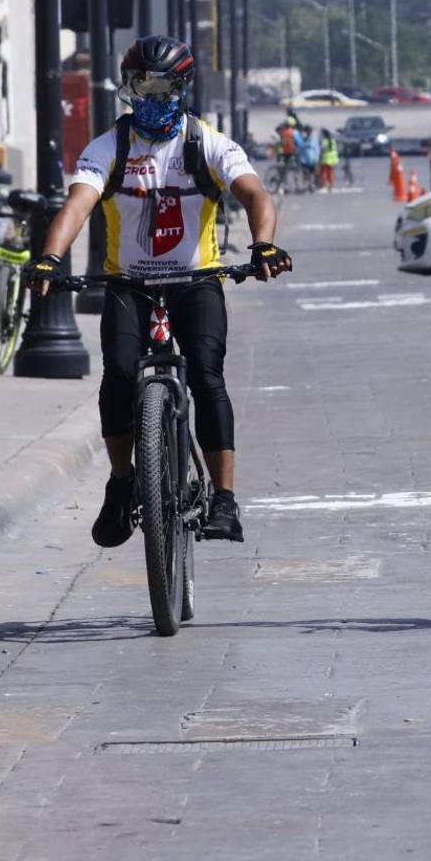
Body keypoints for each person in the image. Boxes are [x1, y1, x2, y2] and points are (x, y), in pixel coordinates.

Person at [27, 35, 292, 547]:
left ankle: (224, 499)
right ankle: (123, 482)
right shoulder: (109, 147)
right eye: (142, 87)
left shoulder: (208, 143)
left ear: (183, 88)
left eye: (165, 87)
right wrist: (50, 257)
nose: (153, 99)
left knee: (208, 377)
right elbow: (78, 205)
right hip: (129, 283)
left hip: (197, 281)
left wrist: (263, 245)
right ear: (128, 89)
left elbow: (256, 193)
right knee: (121, 376)